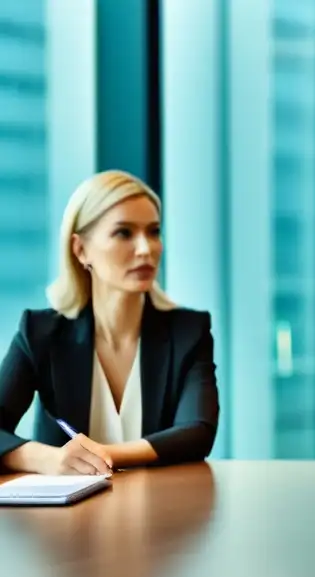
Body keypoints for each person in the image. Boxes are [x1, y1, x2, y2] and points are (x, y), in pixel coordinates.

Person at [0, 170, 219, 475]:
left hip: (163, 512)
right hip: (63, 520)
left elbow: (198, 431)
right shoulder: (39, 333)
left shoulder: (188, 331)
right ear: (80, 249)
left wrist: (102, 454)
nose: (146, 249)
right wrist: (48, 459)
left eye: (154, 231)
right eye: (124, 233)